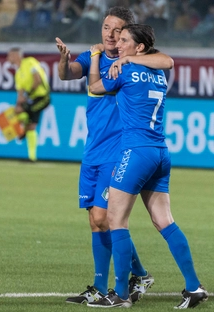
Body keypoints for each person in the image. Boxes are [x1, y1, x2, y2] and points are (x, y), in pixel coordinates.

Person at [56, 6, 174, 305]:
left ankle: (132, 278)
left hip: (119, 150)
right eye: (106, 28)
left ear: (127, 35)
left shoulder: (133, 63)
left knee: (106, 216)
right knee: (96, 221)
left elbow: (166, 60)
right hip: (93, 150)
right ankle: (109, 283)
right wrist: (64, 59)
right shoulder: (92, 57)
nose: (109, 34)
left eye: (116, 30)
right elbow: (67, 74)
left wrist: (130, 57)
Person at [87, 23, 209, 309]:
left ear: (139, 47)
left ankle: (121, 294)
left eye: (125, 40)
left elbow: (94, 87)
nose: (118, 44)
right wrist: (126, 58)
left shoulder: (125, 70)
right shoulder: (157, 74)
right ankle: (194, 287)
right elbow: (166, 60)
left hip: (136, 152)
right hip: (160, 153)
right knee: (164, 221)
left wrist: (96, 58)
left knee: (116, 221)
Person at [6, 47, 51, 162]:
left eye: (10, 55)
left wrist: (26, 96)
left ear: (16, 56)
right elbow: (20, 95)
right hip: (31, 100)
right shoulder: (18, 73)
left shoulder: (30, 62)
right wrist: (18, 105)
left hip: (42, 97)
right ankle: (32, 157)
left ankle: (23, 132)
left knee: (21, 113)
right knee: (30, 125)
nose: (8, 58)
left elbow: (37, 80)